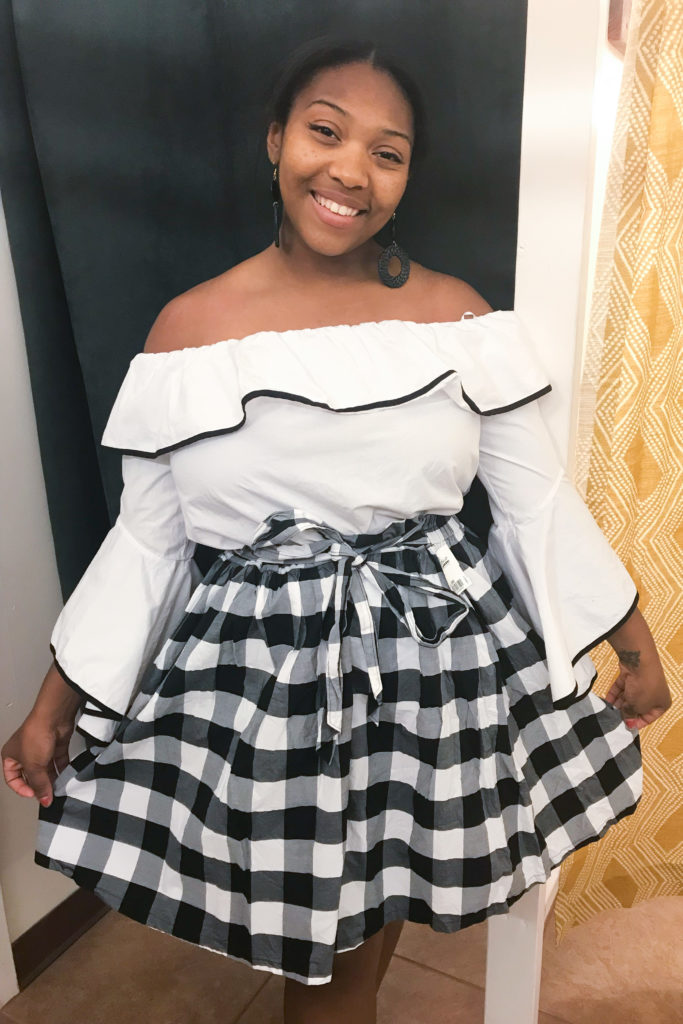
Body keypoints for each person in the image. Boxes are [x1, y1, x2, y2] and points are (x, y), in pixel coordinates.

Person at [2, 36, 671, 1024]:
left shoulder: (457, 321)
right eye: (324, 131)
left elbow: (532, 505)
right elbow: (148, 544)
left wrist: (632, 642)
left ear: (405, 179)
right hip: (254, 698)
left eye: (386, 151)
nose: (348, 170)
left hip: (423, 685)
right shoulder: (187, 331)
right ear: (275, 140)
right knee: (308, 962)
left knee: (348, 967)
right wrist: (55, 703)